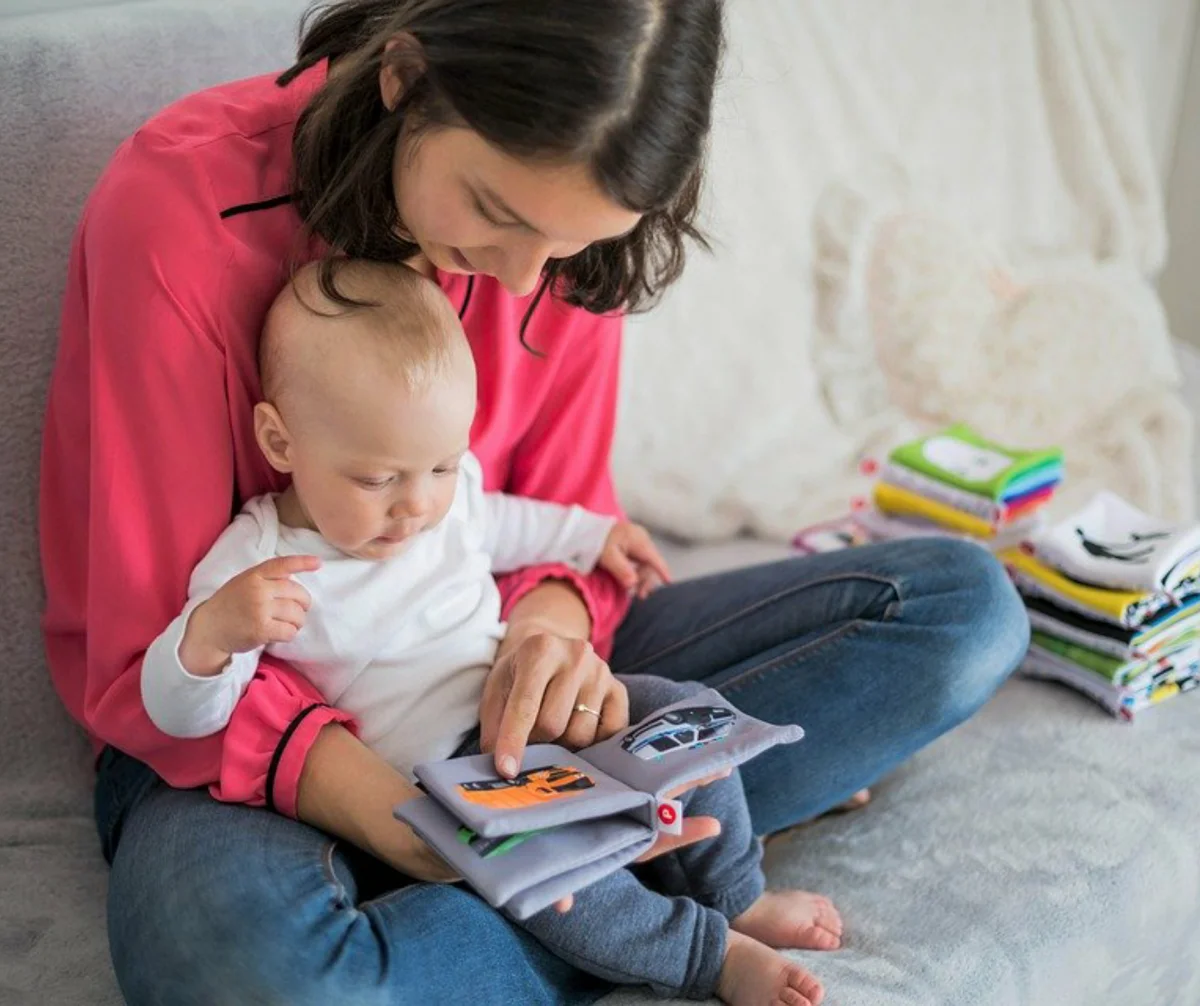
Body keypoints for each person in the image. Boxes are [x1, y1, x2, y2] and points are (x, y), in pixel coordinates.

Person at [39, 1, 1030, 1003]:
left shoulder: (560, 244)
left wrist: (547, 642)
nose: (524, 279)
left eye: (566, 246)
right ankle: (626, 889)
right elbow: (154, 651)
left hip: (490, 694)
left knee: (964, 612)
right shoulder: (176, 213)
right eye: (498, 213)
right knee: (259, 980)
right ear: (405, 78)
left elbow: (558, 522)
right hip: (234, 740)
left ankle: (580, 873)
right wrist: (401, 818)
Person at [138, 258, 840, 1004]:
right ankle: (707, 954)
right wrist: (213, 634)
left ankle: (736, 893)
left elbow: (506, 521)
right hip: (455, 773)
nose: (417, 506)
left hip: (534, 703)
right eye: (377, 480)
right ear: (281, 443)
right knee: (555, 875)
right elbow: (181, 715)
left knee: (686, 711)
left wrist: (592, 535)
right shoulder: (260, 557)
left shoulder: (445, 494)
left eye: (441, 466)